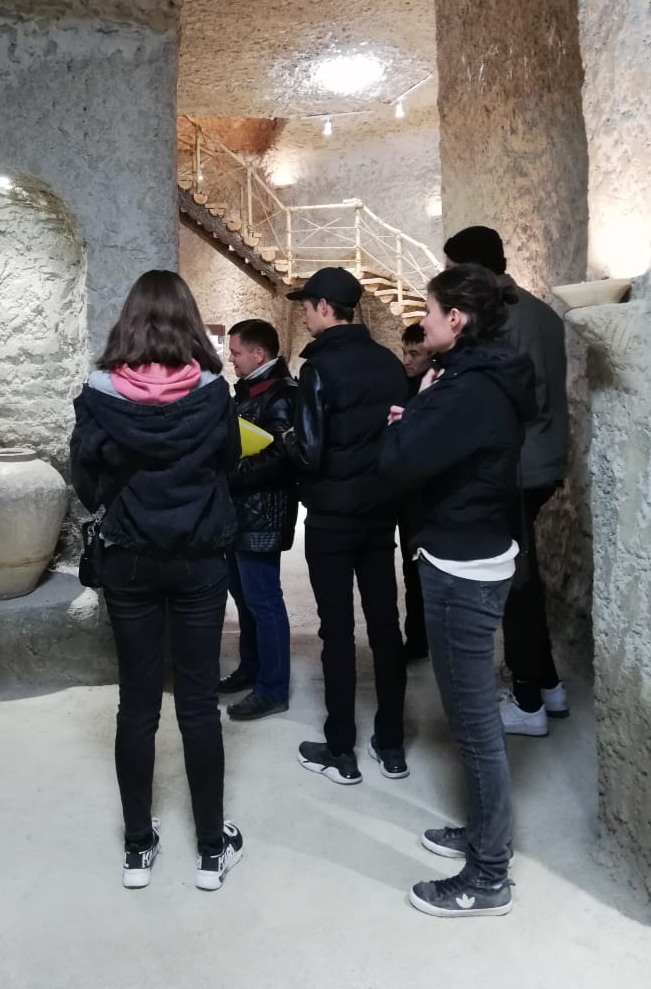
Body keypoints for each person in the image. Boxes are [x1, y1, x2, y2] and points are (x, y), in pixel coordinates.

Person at [70, 269, 244, 892]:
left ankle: (138, 848)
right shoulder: (213, 394)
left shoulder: (99, 395)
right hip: (199, 557)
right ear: (188, 322)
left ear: (130, 321)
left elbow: (85, 479)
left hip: (130, 559)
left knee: (137, 703)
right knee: (198, 703)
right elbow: (230, 460)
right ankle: (210, 852)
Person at [378, 263, 536, 917]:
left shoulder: (466, 388)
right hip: (475, 548)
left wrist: (408, 421)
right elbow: (445, 447)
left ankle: (489, 875)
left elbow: (395, 464)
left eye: (429, 311)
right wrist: (420, 413)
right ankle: (483, 833)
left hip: (463, 566)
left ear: (457, 319)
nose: (422, 322)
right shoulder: (480, 375)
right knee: (471, 719)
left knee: (473, 726)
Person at [283, 266, 409, 785]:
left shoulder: (318, 369)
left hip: (333, 518)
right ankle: (392, 744)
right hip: (379, 512)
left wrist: (285, 440)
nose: (304, 316)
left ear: (325, 307)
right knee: (385, 627)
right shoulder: (389, 362)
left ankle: (341, 750)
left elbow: (309, 451)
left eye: (306, 307)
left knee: (336, 632)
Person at [444, 226, 569, 736]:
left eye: (452, 270)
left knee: (513, 583)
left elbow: (497, 401)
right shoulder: (541, 311)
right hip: (544, 460)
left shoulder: (498, 318)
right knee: (526, 575)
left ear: (471, 270)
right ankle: (550, 686)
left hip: (516, 465)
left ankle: (527, 700)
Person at [221, 319, 298, 721]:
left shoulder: (281, 394)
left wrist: (227, 472)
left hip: (263, 514)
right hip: (241, 513)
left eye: (235, 353)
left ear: (258, 353)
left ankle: (272, 689)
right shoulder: (251, 389)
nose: (231, 360)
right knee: (246, 600)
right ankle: (251, 669)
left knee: (265, 603)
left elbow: (280, 457)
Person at [399, 322, 430, 661]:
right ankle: (417, 639)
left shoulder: (438, 387)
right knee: (411, 570)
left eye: (415, 354)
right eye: (405, 352)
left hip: (429, 493)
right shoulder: (401, 384)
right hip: (406, 491)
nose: (407, 360)